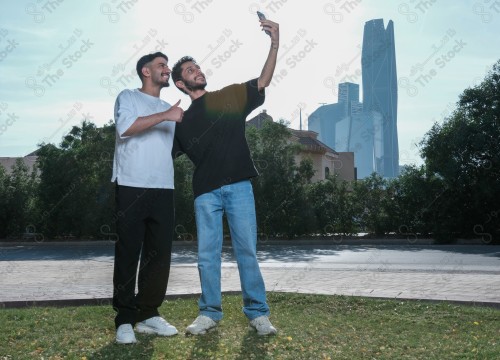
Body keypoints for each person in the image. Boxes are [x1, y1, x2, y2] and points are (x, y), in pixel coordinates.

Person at [171, 16, 279, 336]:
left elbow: (263, 80)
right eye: (190, 71)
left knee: (246, 250)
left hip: (239, 188)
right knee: (207, 256)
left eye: (197, 67)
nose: (197, 71)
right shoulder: (181, 123)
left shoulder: (229, 97)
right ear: (180, 84)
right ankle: (209, 313)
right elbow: (157, 155)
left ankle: (258, 314)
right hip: (206, 193)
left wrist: (275, 41)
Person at [111, 51, 184, 344]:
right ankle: (125, 320)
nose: (167, 69)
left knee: (159, 256)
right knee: (129, 253)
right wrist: (166, 116)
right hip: (131, 184)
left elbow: (179, 147)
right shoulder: (127, 97)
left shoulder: (171, 108)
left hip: (164, 188)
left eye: (167, 65)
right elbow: (126, 128)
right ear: (145, 71)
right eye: (161, 65)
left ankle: (148, 314)